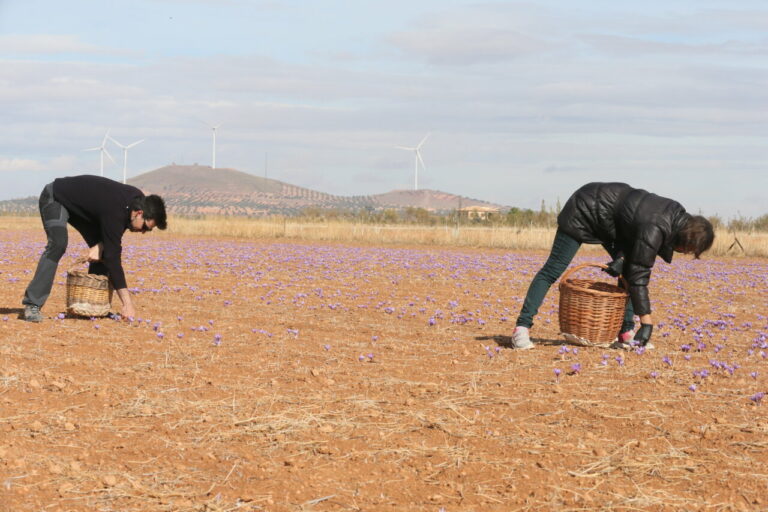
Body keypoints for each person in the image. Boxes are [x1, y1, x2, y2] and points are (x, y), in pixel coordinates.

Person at [512, 182, 714, 350]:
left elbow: (632, 225)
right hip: (583, 209)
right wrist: (647, 323)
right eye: (689, 249)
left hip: (609, 220)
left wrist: (622, 257)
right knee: (553, 269)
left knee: (627, 273)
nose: (686, 253)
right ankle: (521, 328)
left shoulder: (675, 216)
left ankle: (626, 333)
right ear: (687, 240)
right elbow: (639, 274)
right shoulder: (657, 226)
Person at [21, 175, 167, 322]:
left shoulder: (138, 202)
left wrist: (101, 245)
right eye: (145, 228)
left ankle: (93, 307)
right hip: (55, 197)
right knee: (58, 244)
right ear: (139, 213)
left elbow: (112, 237)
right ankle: (32, 304)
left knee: (104, 251)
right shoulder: (116, 208)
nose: (143, 232)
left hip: (81, 210)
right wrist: (127, 304)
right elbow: (113, 256)